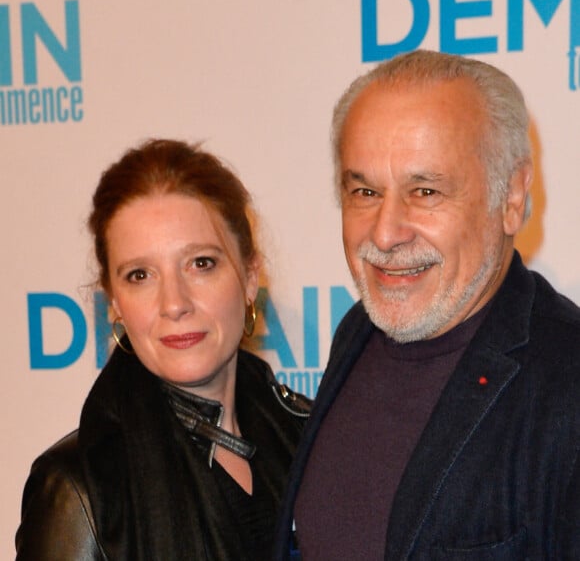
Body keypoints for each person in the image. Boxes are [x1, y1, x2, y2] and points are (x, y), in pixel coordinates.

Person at [273, 50, 580, 559]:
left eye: (426, 191)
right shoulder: (357, 331)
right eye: (365, 191)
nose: (386, 232)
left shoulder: (568, 381)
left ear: (511, 196)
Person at [16, 139, 310, 560]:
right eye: (140, 275)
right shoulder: (77, 488)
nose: (174, 303)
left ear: (248, 277)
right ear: (115, 301)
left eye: (201, 263)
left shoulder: (305, 439)